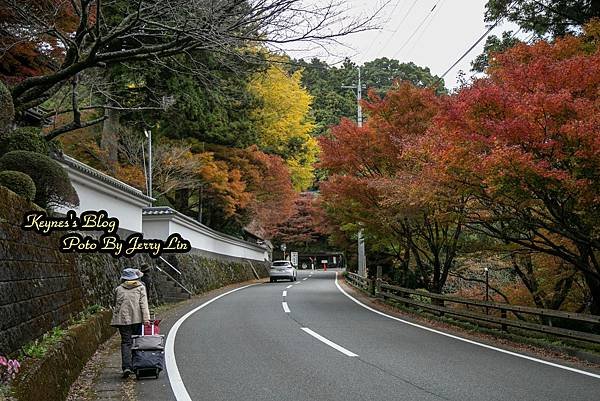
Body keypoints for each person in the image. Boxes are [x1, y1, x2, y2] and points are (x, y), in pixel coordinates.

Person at [111, 268, 150, 378]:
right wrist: (146, 319)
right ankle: (135, 364)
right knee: (136, 341)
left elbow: (116, 304)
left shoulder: (118, 289)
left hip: (123, 319)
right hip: (137, 319)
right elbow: (144, 304)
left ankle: (126, 367)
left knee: (126, 342)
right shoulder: (140, 288)